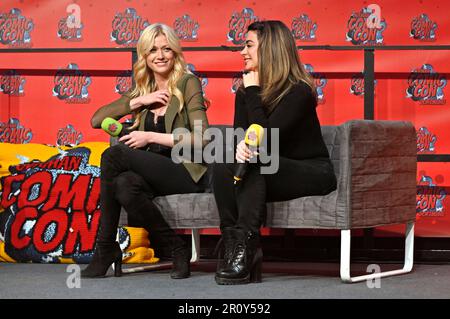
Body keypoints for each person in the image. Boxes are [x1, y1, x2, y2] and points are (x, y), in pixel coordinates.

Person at [212, 20, 337, 285]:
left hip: (311, 171)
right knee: (224, 162)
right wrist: (241, 148)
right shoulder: (245, 93)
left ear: (270, 49)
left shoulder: (298, 91)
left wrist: (254, 92)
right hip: (270, 169)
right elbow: (242, 138)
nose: (242, 52)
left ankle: (246, 245)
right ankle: (234, 245)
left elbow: (267, 139)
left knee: (257, 161)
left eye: (248, 45)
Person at [81, 23, 209, 279]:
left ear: (175, 52)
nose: (159, 56)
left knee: (113, 154)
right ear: (144, 56)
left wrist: (150, 136)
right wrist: (139, 101)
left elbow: (202, 137)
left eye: (165, 49)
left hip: (183, 170)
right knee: (124, 185)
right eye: (152, 50)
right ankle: (176, 248)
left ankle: (105, 247)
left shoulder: (187, 83)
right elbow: (97, 120)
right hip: (152, 173)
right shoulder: (143, 88)